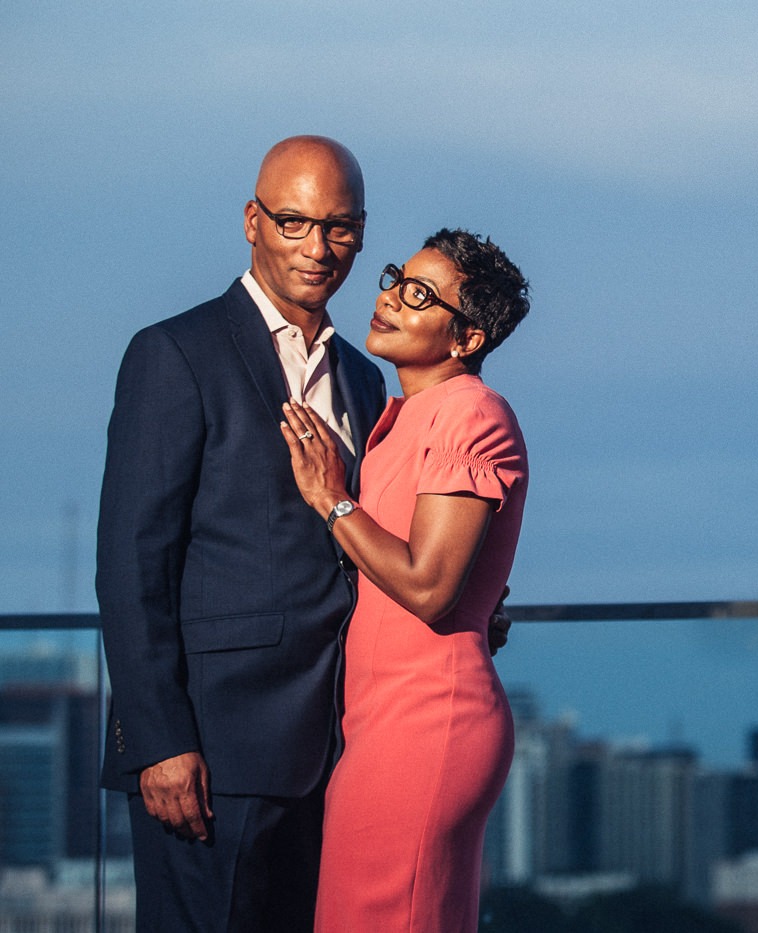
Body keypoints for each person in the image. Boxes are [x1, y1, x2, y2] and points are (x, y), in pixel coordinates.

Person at [96, 136, 506, 931]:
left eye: (341, 228)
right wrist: (158, 741)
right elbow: (130, 562)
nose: (318, 249)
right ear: (253, 221)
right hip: (214, 755)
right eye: (294, 223)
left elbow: (376, 541)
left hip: (337, 753)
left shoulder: (364, 376)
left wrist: (473, 595)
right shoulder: (175, 354)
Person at [278, 228, 530, 933]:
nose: (388, 296)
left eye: (419, 295)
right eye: (396, 278)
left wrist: (332, 499)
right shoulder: (400, 420)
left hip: (427, 723)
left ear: (467, 336)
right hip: (384, 723)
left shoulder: (471, 413)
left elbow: (429, 587)